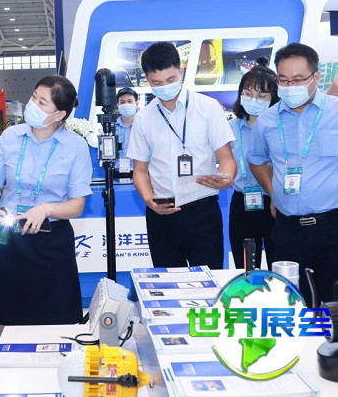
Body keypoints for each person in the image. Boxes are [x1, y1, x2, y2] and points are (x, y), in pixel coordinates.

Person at [0, 75, 93, 325]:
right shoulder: (10, 137)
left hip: (51, 243)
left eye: (42, 102)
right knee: (11, 318)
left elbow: (77, 205)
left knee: (53, 318)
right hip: (9, 240)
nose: (33, 104)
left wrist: (45, 209)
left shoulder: (76, 147)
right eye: (34, 97)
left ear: (59, 115)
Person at [127, 42, 237, 269]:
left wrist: (226, 178)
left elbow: (226, 158)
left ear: (181, 71)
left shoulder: (208, 107)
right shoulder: (143, 118)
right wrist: (149, 200)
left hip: (202, 210)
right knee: (167, 283)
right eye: (157, 82)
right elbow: (140, 171)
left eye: (170, 79)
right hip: (162, 213)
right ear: (147, 79)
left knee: (208, 281)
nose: (165, 86)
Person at [248, 43, 338, 305]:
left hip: (332, 227)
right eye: (284, 80)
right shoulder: (267, 120)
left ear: (316, 77)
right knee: (292, 305)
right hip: (288, 231)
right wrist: (273, 191)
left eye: (297, 80)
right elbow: (257, 160)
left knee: (333, 306)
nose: (290, 86)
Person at [228, 66, 278, 270]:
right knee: (246, 268)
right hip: (242, 203)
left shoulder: (279, 127)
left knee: (278, 265)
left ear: (273, 98)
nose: (253, 100)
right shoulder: (230, 128)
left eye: (261, 96)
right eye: (248, 94)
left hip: (274, 202)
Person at [115, 87, 139, 174]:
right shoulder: (112, 127)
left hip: (139, 174)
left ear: (136, 104)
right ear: (118, 105)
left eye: (129, 101)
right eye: (122, 102)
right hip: (115, 173)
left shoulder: (143, 126)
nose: (126, 105)